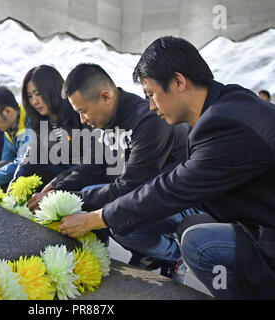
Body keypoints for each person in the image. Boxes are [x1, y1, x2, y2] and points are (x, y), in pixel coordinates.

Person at [60, 36, 275, 299]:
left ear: (178, 81)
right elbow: (168, 179)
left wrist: (96, 217)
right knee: (133, 215)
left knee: (198, 244)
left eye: (151, 94)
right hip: (248, 216)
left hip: (266, 232)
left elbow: (171, 189)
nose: (151, 106)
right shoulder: (225, 104)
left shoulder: (224, 123)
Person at [31, 63, 199, 275]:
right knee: (103, 202)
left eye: (83, 111)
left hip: (183, 201)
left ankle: (176, 256)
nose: (83, 120)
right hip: (148, 194)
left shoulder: (148, 121)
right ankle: (152, 252)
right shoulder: (108, 122)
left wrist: (68, 198)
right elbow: (92, 167)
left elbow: (129, 189)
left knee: (116, 217)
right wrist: (56, 186)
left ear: (105, 96)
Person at [13, 64, 88, 187]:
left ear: (52, 89)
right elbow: (30, 157)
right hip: (63, 174)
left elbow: (90, 160)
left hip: (85, 175)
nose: (34, 101)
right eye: (30, 96)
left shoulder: (77, 112)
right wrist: (15, 185)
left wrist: (56, 183)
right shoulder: (42, 122)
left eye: (38, 94)